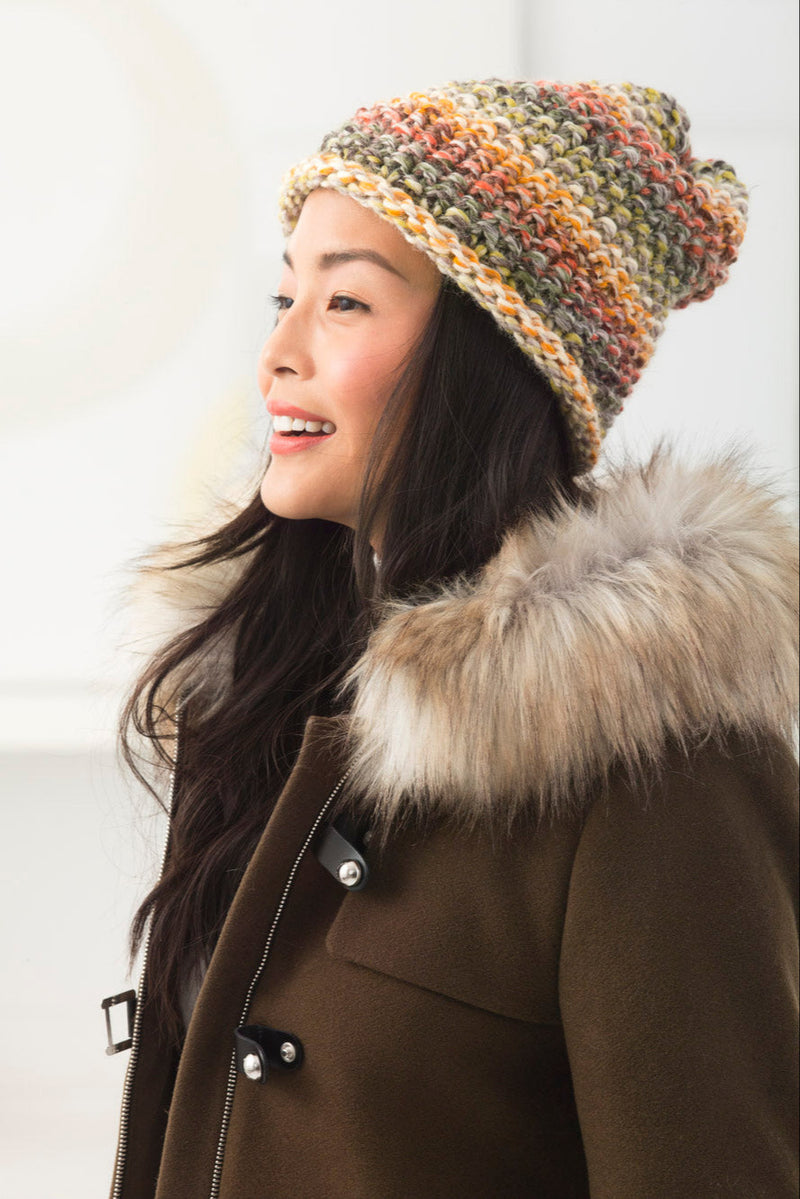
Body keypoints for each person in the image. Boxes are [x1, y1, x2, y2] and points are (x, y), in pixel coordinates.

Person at [104, 79, 799, 1199]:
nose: (277, 350)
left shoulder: (660, 764)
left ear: (494, 352)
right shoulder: (262, 701)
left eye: (344, 302)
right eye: (284, 294)